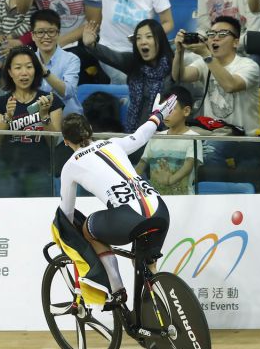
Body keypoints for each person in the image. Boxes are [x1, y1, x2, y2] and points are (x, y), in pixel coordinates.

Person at [52, 93, 180, 305]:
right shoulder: (113, 143)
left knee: (87, 229)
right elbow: (142, 135)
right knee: (147, 265)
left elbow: (67, 213)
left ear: (66, 142)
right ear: (91, 131)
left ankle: (117, 288)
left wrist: (64, 236)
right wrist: (157, 115)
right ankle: (165, 309)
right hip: (159, 209)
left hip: (127, 219)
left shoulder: (71, 165)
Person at [0, 45, 64, 196]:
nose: (24, 73)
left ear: (35, 70)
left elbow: (53, 143)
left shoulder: (50, 100)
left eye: (29, 67)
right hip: (7, 173)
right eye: (18, 68)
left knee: (41, 217)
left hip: (40, 172)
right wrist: (7, 118)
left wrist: (44, 116)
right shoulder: (0, 102)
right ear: (10, 72)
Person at [173, 15, 260, 142]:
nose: (215, 38)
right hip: (212, 133)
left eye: (222, 34)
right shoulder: (204, 63)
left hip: (244, 138)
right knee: (174, 139)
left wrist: (206, 54)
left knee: (208, 151)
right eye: (211, 34)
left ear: (236, 42)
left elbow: (230, 86)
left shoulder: (249, 66)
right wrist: (179, 52)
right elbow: (180, 76)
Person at [82, 18, 174, 131]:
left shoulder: (172, 66)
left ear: (160, 40)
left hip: (164, 134)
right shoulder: (133, 63)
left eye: (149, 36)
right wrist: (92, 45)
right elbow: (111, 56)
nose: (143, 41)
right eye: (138, 38)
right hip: (134, 134)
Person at [135, 86, 203, 196]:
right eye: (163, 110)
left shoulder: (193, 138)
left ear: (186, 111)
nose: (165, 114)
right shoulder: (155, 137)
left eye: (170, 110)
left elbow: (188, 165)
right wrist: (131, 181)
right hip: (156, 200)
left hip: (185, 200)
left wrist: (170, 180)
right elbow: (142, 163)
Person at [28, 8, 82, 115]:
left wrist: (45, 72)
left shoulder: (71, 59)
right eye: (40, 32)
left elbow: (68, 92)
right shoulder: (27, 60)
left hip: (67, 121)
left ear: (58, 34)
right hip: (36, 121)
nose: (46, 36)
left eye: (51, 31)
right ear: (33, 36)